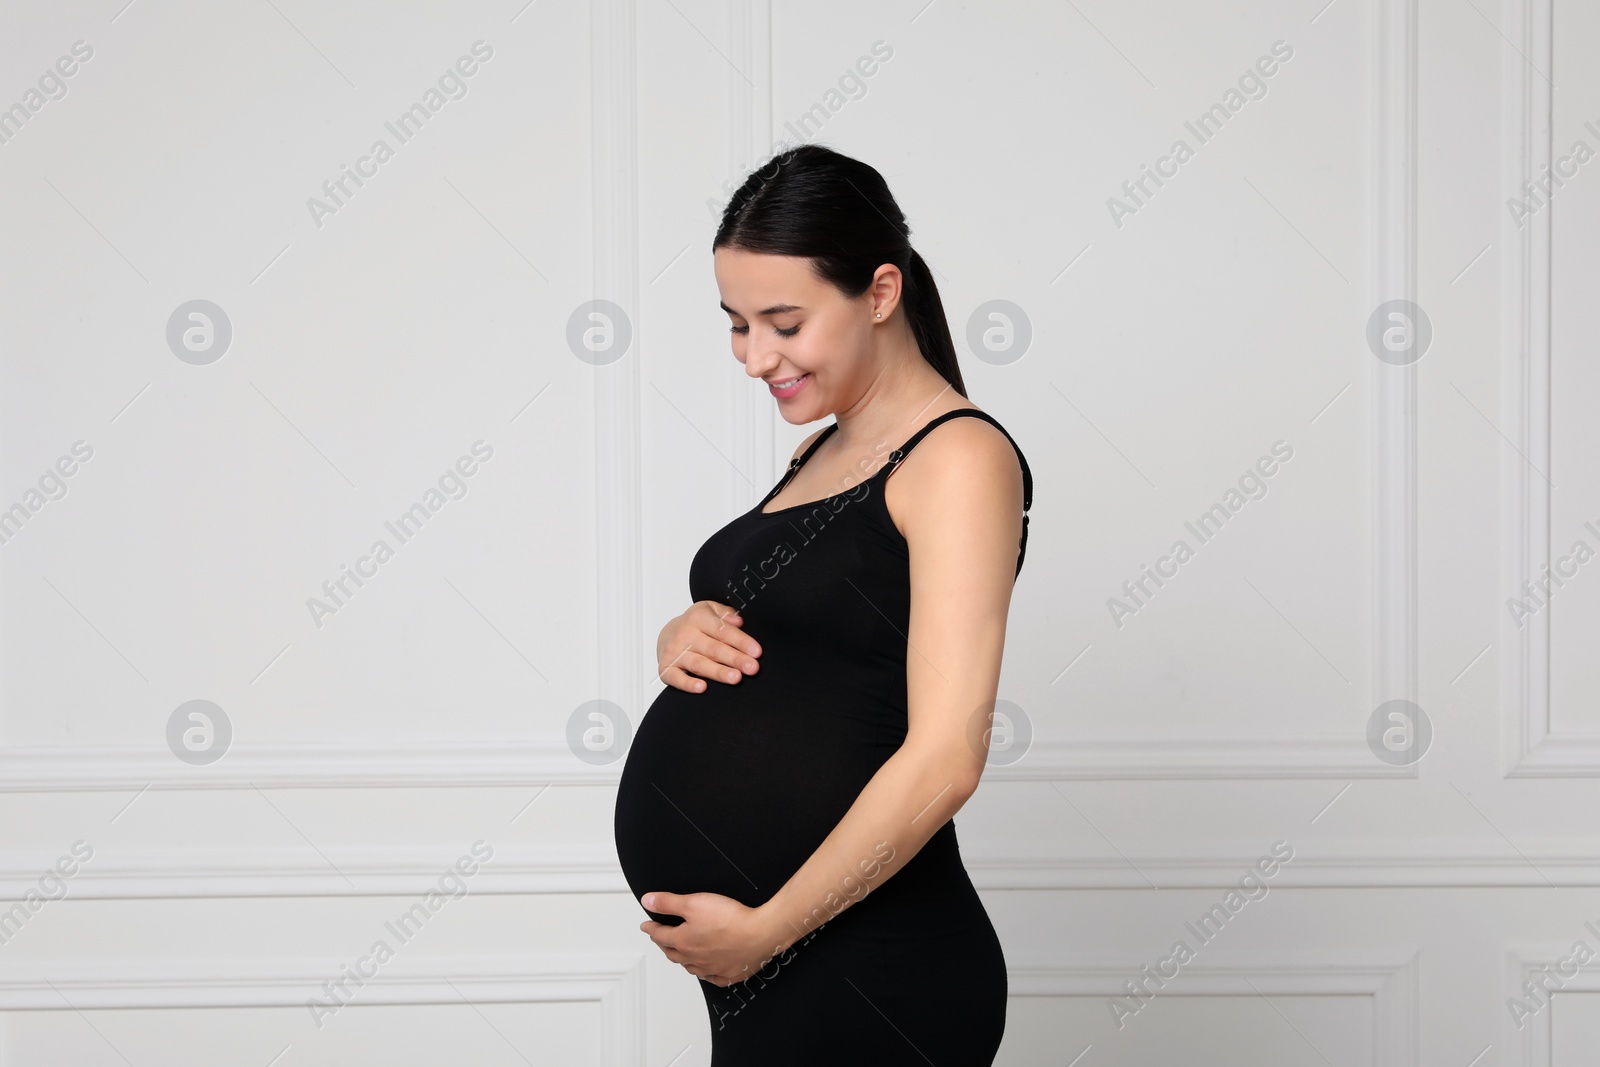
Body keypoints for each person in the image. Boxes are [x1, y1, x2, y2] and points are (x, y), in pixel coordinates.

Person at [612, 143, 1033, 1065]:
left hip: (871, 970)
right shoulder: (826, 450)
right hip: (777, 969)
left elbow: (947, 756)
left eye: (784, 322)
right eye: (735, 324)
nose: (756, 357)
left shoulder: (959, 461)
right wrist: (684, 633)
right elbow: (821, 641)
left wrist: (767, 931)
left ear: (880, 293)